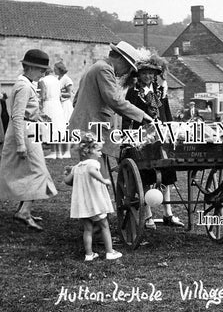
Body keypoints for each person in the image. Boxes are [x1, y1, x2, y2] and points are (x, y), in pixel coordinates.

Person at [69, 41, 154, 172]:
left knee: (91, 171)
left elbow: (76, 101)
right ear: (120, 59)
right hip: (92, 130)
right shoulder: (104, 69)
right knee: (96, 174)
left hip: (85, 127)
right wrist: (142, 115)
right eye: (127, 67)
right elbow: (115, 100)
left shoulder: (94, 68)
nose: (126, 72)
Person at [122, 52, 184, 229]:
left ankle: (168, 214)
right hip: (142, 138)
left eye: (152, 73)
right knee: (147, 175)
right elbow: (127, 116)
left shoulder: (160, 91)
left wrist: (172, 129)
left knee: (167, 173)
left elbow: (166, 113)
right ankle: (148, 215)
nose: (148, 76)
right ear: (138, 75)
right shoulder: (133, 93)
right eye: (145, 73)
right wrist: (128, 137)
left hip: (162, 136)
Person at [0, 49, 58, 231]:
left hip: (29, 130)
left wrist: (40, 117)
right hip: (24, 133)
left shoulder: (26, 84)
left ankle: (23, 209)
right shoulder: (24, 86)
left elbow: (26, 113)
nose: (43, 74)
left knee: (30, 172)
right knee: (38, 172)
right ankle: (24, 211)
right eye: (41, 70)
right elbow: (17, 116)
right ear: (31, 68)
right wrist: (20, 144)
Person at [64, 133, 122, 261]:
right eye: (99, 151)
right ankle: (109, 252)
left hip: (82, 204)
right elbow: (91, 171)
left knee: (87, 229)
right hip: (95, 202)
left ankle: (89, 254)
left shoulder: (77, 167)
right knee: (104, 225)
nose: (100, 154)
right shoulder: (93, 163)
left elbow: (68, 181)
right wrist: (103, 180)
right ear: (89, 151)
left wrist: (67, 173)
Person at [39, 67, 66, 159]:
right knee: (57, 126)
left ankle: (53, 152)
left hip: (48, 104)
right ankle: (59, 152)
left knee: (50, 127)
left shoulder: (42, 81)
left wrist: (40, 106)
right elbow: (59, 95)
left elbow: (42, 96)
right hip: (57, 105)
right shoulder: (57, 80)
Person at [55, 61, 74, 158]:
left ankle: (67, 151)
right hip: (59, 105)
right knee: (59, 127)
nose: (54, 70)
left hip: (65, 105)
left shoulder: (67, 79)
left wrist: (59, 94)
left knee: (66, 128)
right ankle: (59, 151)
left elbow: (70, 94)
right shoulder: (57, 79)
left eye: (55, 68)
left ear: (59, 69)